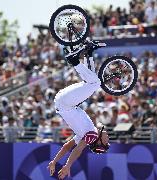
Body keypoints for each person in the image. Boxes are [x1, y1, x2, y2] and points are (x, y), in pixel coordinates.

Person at [47, 41, 110, 179]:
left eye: (106, 141)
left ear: (98, 142)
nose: (108, 138)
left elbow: (77, 150)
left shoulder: (91, 137)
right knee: (91, 81)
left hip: (66, 103)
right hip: (64, 102)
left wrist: (67, 165)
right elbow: (66, 147)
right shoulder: (84, 134)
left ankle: (74, 59)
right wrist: (54, 161)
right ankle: (89, 52)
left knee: (95, 83)